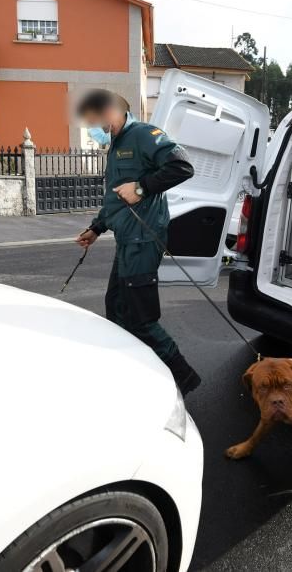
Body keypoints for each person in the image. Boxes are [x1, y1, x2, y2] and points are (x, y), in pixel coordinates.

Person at [74, 89, 202, 394]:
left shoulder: (144, 135)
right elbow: (116, 197)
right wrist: (96, 228)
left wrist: (142, 188)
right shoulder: (116, 145)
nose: (91, 122)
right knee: (116, 307)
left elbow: (182, 166)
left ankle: (183, 377)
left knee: (141, 318)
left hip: (144, 239)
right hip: (127, 238)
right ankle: (131, 365)